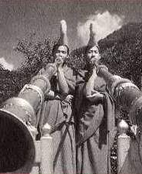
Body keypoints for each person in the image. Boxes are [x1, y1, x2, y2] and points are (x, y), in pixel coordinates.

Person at [75, 23, 117, 174]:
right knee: (85, 160)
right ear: (85, 56)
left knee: (99, 160)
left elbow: (113, 97)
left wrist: (102, 96)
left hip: (101, 124)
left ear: (99, 56)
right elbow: (86, 93)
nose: (92, 54)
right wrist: (92, 74)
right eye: (90, 52)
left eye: (95, 52)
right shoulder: (80, 75)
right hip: (85, 124)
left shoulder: (106, 75)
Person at [37, 20, 76, 174]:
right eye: (58, 51)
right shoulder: (44, 69)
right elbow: (40, 89)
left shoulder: (70, 71)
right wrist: (58, 97)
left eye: (63, 52)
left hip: (64, 115)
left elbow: (66, 89)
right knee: (48, 146)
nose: (60, 54)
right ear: (53, 54)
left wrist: (59, 70)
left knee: (64, 150)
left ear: (67, 56)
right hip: (48, 113)